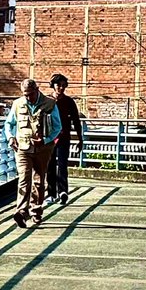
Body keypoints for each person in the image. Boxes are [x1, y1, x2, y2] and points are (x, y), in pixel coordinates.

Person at [4, 78, 61, 228]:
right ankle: (22, 212)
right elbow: (9, 124)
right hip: (22, 147)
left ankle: (36, 211)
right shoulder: (17, 104)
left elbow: (57, 127)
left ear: (37, 90)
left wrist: (45, 140)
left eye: (30, 94)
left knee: (38, 180)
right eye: (25, 94)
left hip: (43, 149)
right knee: (24, 178)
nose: (28, 97)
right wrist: (10, 137)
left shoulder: (50, 104)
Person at [46, 74, 83, 205]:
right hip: (49, 138)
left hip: (64, 137)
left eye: (63, 85)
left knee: (62, 165)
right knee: (50, 166)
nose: (61, 88)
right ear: (53, 86)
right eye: (58, 85)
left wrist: (80, 139)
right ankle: (51, 193)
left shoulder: (69, 102)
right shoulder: (47, 101)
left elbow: (76, 121)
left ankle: (63, 191)